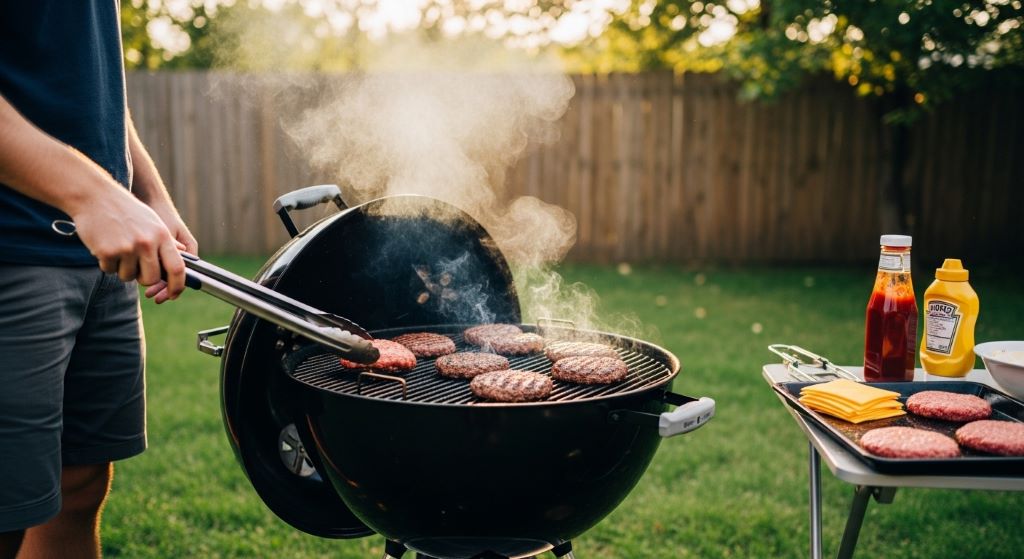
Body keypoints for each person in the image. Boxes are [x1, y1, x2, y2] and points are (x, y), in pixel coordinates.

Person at [0, 3, 196, 558]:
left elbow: (91, 74)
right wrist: (92, 194)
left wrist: (147, 193)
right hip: (12, 248)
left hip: (96, 250)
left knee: (79, 487)